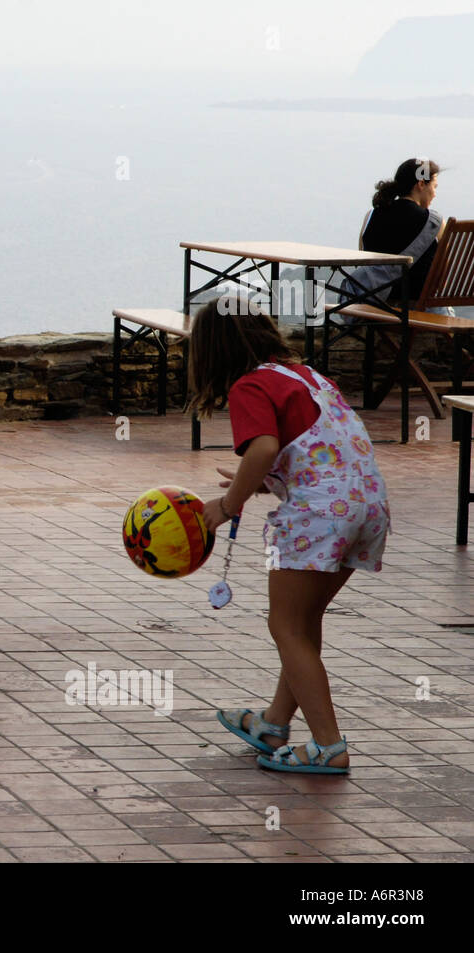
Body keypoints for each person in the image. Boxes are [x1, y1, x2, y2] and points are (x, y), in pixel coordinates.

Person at [189, 300, 390, 774]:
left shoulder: (250, 384)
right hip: (366, 506)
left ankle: (328, 746)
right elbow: (317, 449)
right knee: (302, 623)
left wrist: (228, 504)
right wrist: (262, 481)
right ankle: (274, 724)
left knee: (285, 627)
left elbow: (264, 447)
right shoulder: (309, 375)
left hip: (320, 515)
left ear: (211, 350)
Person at [348, 157, 443, 303]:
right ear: (421, 184)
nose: (435, 194)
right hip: (419, 308)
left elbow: (363, 257)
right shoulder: (434, 222)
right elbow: (443, 271)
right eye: (434, 187)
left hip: (377, 306)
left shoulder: (371, 216)